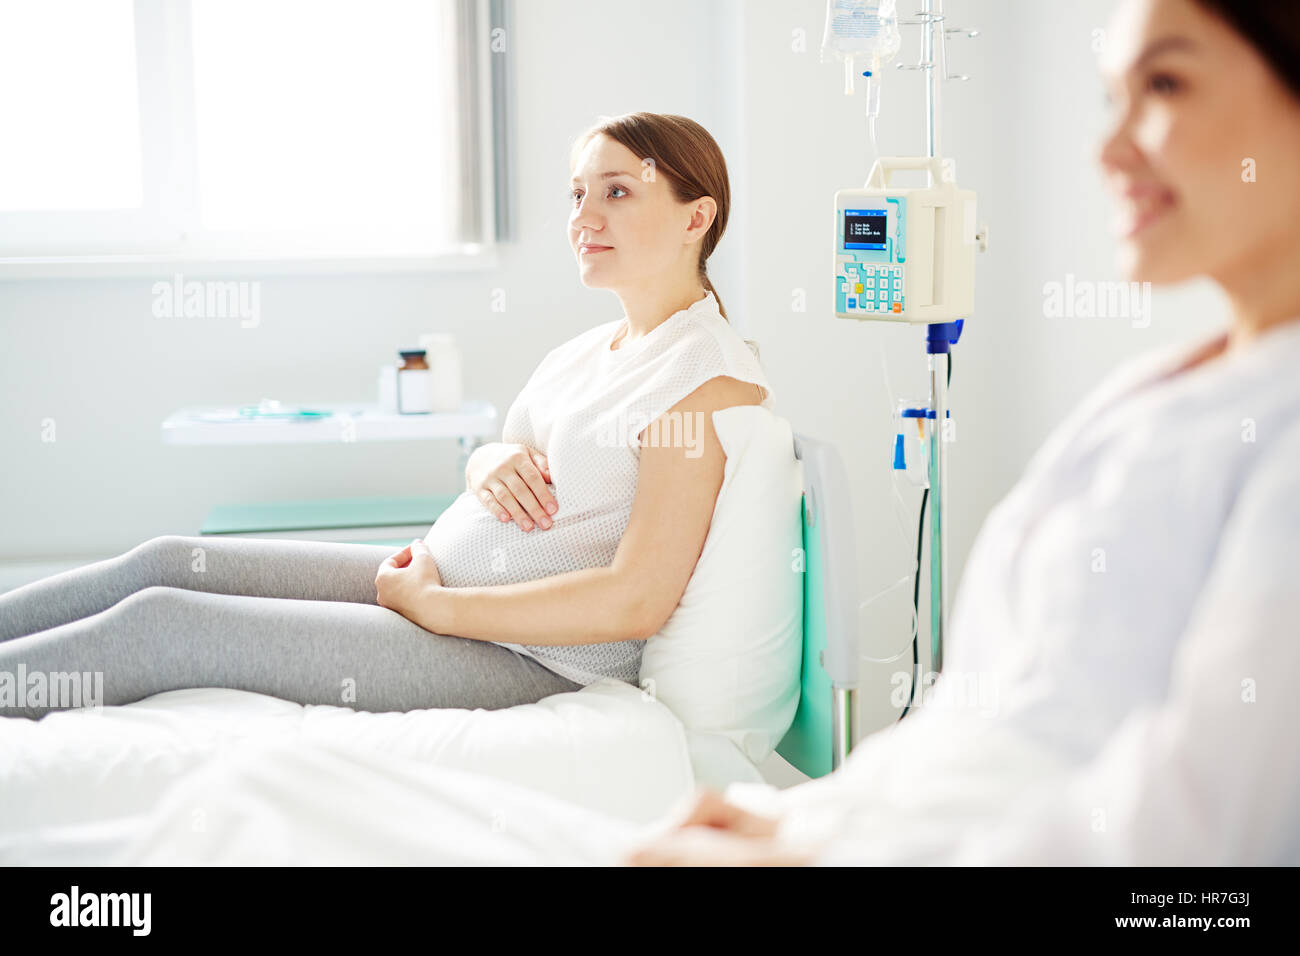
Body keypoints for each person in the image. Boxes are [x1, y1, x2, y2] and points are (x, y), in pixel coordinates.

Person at [624, 0, 1300, 865]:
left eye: (1165, 84)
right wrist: (814, 820)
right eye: (1110, 97)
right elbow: (987, 718)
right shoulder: (1167, 388)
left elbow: (1201, 854)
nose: (1107, 149)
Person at [0, 113, 773, 720]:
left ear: (695, 216)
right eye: (577, 193)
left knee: (162, 625)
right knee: (164, 563)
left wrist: (440, 608)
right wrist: (483, 463)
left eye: (617, 191)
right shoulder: (592, 349)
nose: (583, 215)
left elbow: (636, 598)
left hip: (526, 655)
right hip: (442, 591)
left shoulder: (705, 379)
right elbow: (511, 451)